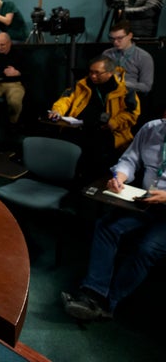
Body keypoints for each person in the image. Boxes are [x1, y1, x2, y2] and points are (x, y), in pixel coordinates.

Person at [61, 116, 166, 321]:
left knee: (147, 248)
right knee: (107, 226)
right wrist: (119, 177)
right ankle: (94, 293)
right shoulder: (152, 128)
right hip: (146, 199)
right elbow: (131, 158)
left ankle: (110, 303)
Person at [48, 55, 140, 180]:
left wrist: (113, 123)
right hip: (78, 128)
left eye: (97, 73)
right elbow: (66, 99)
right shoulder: (82, 84)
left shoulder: (125, 91)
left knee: (95, 158)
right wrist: (57, 111)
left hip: (108, 133)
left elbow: (131, 114)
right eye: (91, 72)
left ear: (109, 73)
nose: (93, 76)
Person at [102, 19, 154, 96]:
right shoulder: (107, 54)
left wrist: (123, 84)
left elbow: (146, 87)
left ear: (130, 36)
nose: (115, 42)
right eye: (112, 39)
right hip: (108, 92)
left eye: (119, 38)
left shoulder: (144, 57)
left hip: (130, 95)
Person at [0, 32, 26, 126]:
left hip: (15, 84)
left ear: (9, 43)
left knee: (14, 102)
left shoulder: (20, 54)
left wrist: (18, 72)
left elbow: (29, 71)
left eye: (2, 45)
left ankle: (13, 123)